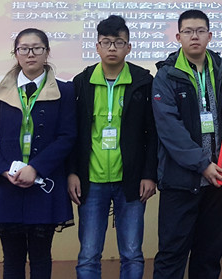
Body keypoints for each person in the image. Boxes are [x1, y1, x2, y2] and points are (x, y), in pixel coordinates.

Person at [0, 28, 76, 279]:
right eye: (24, 49)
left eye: (37, 48)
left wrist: (36, 168)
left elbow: (67, 137)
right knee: (12, 259)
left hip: (44, 183)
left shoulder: (64, 91)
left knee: (41, 257)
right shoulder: (0, 91)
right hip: (7, 185)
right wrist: (3, 171)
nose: (31, 54)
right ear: (15, 53)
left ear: (47, 52)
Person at [151, 9, 222, 279]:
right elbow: (169, 128)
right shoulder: (167, 76)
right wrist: (202, 164)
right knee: (172, 255)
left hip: (220, 179)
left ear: (209, 35)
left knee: (208, 256)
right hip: (181, 181)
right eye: (188, 31)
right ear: (178, 37)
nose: (195, 36)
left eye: (200, 31)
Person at [66, 15, 157, 279]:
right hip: (91, 180)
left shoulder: (143, 81)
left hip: (131, 180)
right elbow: (72, 133)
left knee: (132, 253)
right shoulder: (81, 82)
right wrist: (72, 172)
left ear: (129, 47)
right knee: (88, 255)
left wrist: (149, 174)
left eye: (119, 42)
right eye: (106, 42)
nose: (112, 48)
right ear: (97, 47)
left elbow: (152, 134)